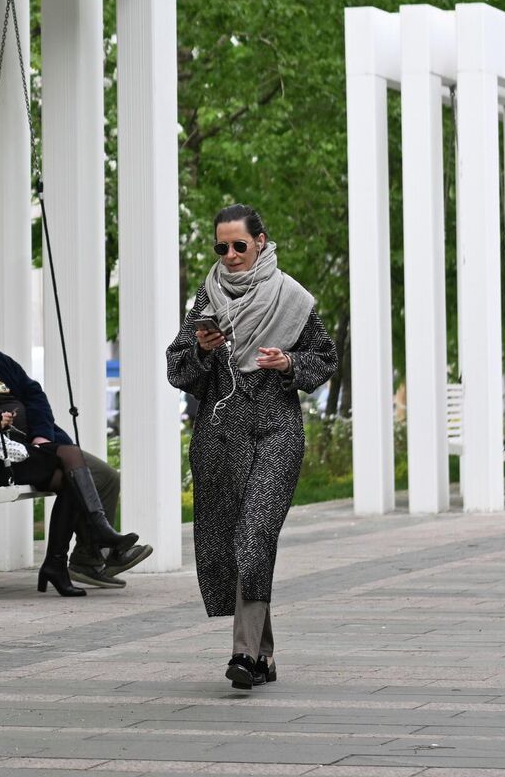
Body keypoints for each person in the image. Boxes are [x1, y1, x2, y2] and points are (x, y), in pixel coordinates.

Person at [166, 205, 336, 691]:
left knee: (253, 538)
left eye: (240, 245)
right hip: (220, 438)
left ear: (261, 241)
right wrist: (201, 348)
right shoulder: (208, 294)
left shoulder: (291, 298)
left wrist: (288, 363)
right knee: (232, 547)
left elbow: (325, 357)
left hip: (275, 431)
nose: (231, 255)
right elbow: (180, 369)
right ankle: (262, 655)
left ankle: (241, 653)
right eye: (222, 247)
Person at [0, 319, 153, 595]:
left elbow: (34, 394)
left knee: (108, 477)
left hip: (42, 445)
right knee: (74, 478)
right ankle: (93, 552)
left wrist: (41, 434)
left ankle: (89, 554)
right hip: (10, 456)